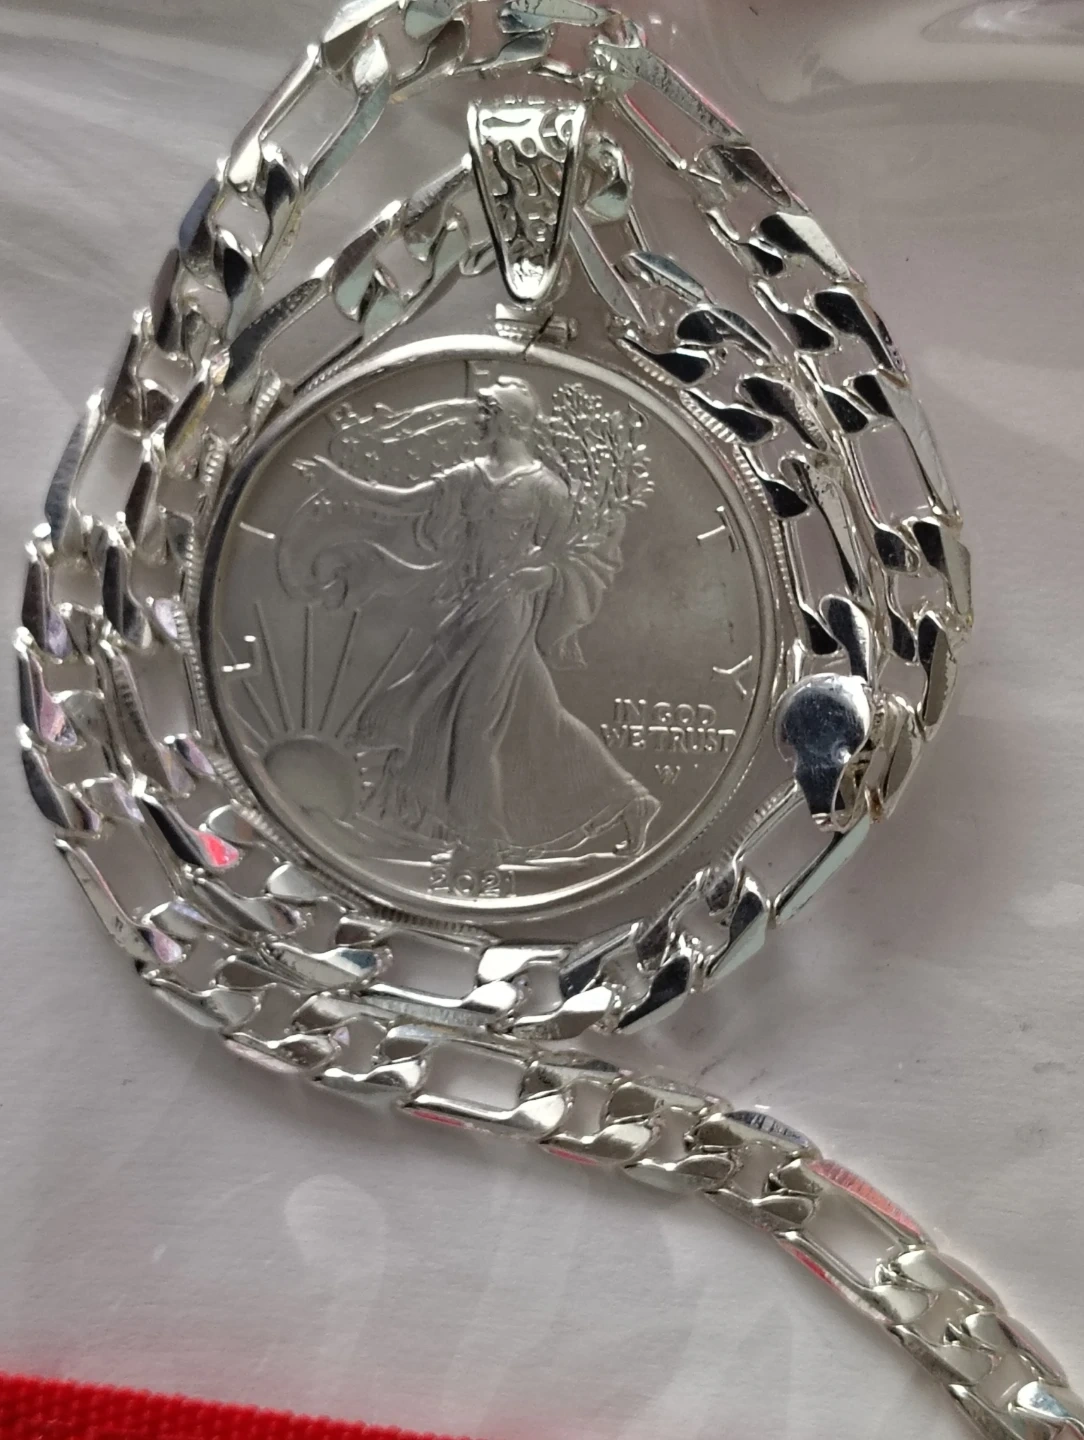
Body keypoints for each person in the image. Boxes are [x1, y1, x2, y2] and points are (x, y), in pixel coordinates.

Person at [280, 375, 660, 865]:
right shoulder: (469, 476)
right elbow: (406, 502)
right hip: (466, 608)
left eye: (488, 411)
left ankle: (480, 840)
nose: (478, 418)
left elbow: (581, 557)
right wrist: (342, 484)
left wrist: (544, 574)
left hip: (507, 612)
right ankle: (630, 801)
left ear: (513, 422)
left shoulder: (545, 488)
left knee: (472, 723)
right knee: (538, 717)